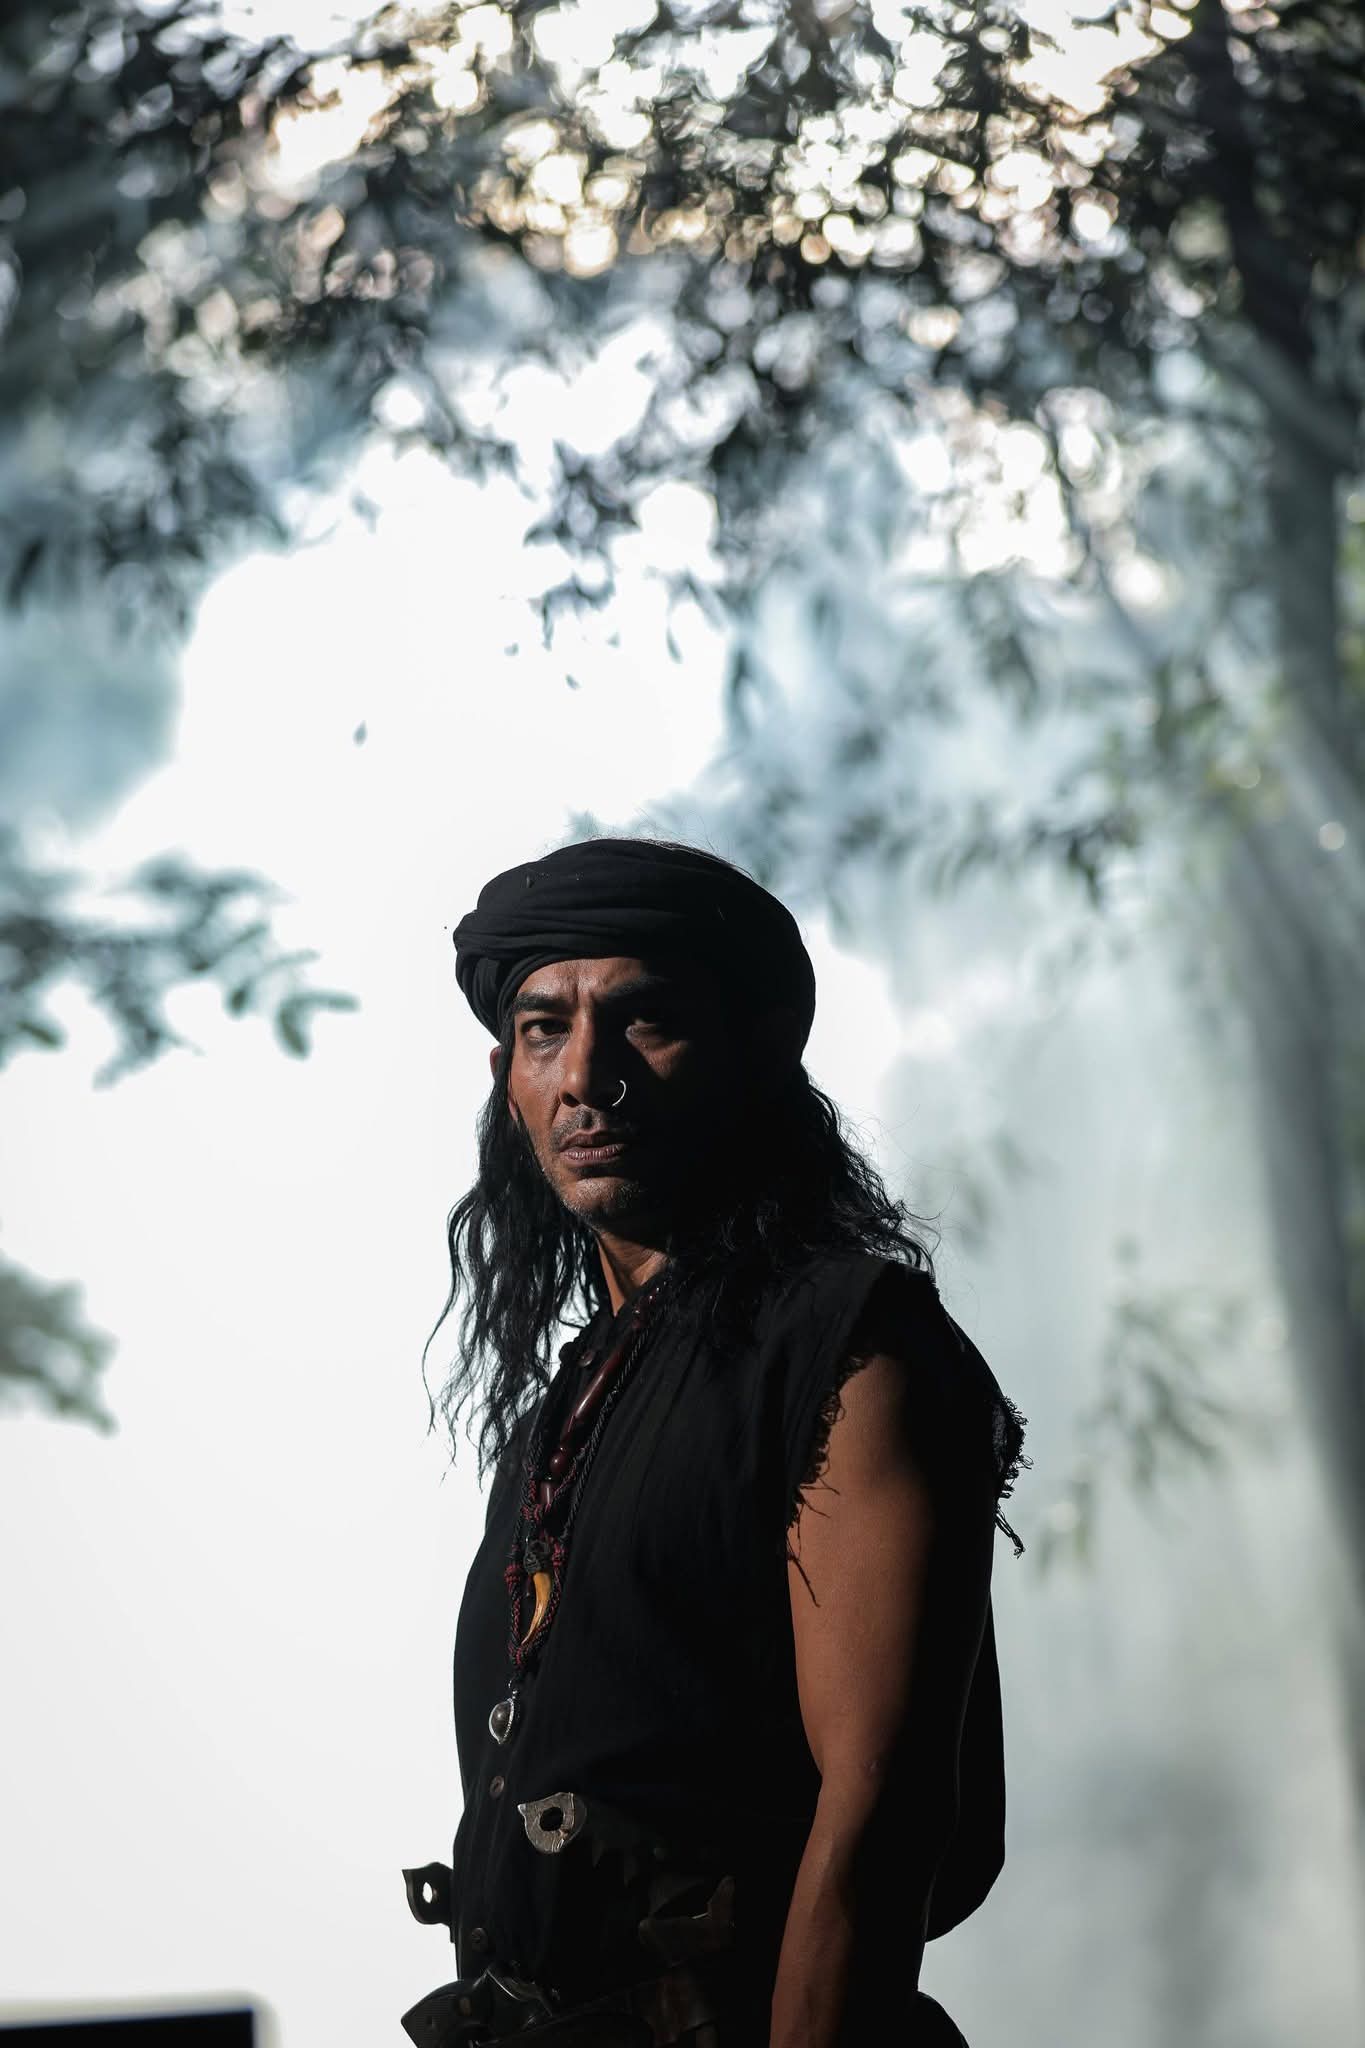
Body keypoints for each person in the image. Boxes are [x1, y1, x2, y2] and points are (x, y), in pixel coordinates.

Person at [401, 838, 1030, 2048]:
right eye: (544, 1029)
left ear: (760, 1050)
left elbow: (881, 1815)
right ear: (504, 1073)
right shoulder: (560, 1416)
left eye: (644, 1020)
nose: (586, 1074)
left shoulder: (849, 1344)